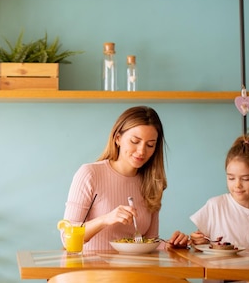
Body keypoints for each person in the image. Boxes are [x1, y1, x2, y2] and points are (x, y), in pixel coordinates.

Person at [61, 106, 189, 251]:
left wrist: (172, 245)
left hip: (136, 272)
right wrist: (105, 219)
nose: (141, 151)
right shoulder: (90, 174)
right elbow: (67, 237)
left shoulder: (152, 183)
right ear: (118, 138)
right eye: (135, 141)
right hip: (94, 271)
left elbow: (149, 243)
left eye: (150, 145)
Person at [189, 134, 249, 250]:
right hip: (217, 268)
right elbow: (198, 243)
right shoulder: (215, 206)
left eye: (245, 179)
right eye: (231, 178)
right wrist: (197, 240)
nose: (237, 185)